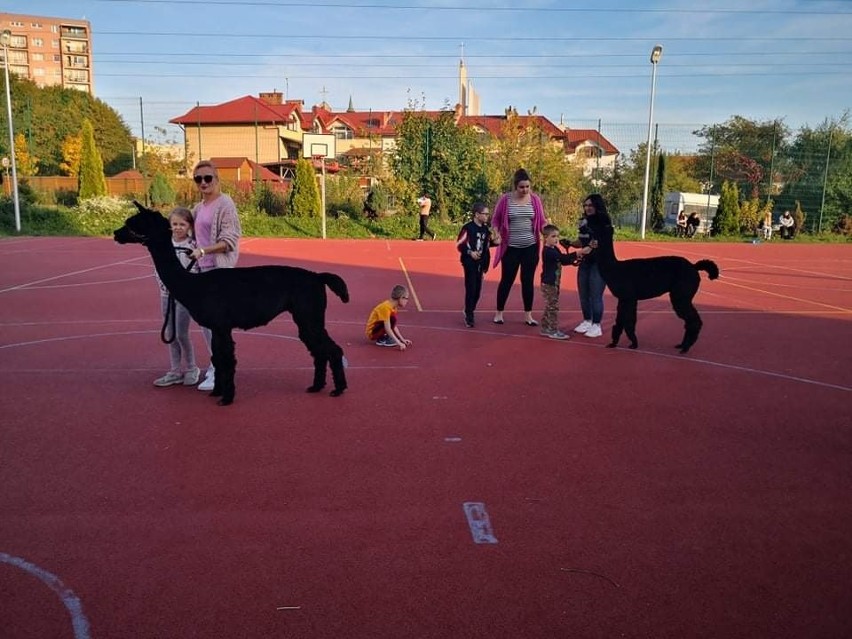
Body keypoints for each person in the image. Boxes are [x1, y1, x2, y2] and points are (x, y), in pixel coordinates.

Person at [188, 160, 242, 392]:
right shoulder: (198, 208)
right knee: (206, 325)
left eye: (208, 178)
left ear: (217, 179)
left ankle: (218, 369)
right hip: (201, 272)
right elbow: (190, 235)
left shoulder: (225, 204)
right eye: (198, 179)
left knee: (217, 326)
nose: (203, 183)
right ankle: (215, 365)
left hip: (218, 273)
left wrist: (204, 251)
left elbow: (230, 240)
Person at [490, 168, 548, 326]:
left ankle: (528, 315)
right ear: (515, 186)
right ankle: (499, 313)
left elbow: (541, 221)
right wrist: (495, 232)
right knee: (507, 280)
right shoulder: (505, 200)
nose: (525, 190)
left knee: (527, 281)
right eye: (522, 187)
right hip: (511, 248)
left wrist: (548, 231)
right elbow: (495, 220)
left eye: (527, 187)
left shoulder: (535, 200)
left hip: (530, 247)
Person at [153, 206, 201, 387]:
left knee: (181, 333)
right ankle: (174, 371)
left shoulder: (193, 246)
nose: (179, 227)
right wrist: (164, 286)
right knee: (169, 333)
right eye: (175, 224)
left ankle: (191, 368)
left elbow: (196, 270)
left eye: (183, 224)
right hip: (166, 295)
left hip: (184, 297)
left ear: (189, 226)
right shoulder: (164, 245)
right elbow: (158, 269)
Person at [567, 194, 612, 338]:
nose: (587, 208)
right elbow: (583, 241)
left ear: (597, 206)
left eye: (590, 205)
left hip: (600, 262)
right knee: (583, 294)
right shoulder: (583, 222)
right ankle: (587, 320)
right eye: (585, 205)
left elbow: (600, 242)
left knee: (595, 295)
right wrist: (570, 243)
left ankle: (596, 325)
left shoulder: (604, 222)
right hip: (586, 261)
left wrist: (590, 247)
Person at [539, 224, 590, 340]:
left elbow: (563, 260)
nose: (556, 239)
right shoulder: (548, 251)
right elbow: (563, 258)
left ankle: (545, 327)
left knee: (550, 305)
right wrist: (580, 252)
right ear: (545, 237)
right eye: (553, 236)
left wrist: (574, 259)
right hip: (549, 283)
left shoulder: (554, 249)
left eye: (557, 236)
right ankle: (552, 330)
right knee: (553, 306)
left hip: (554, 282)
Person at [456, 202, 500, 328]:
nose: (487, 216)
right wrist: (470, 252)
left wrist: (495, 242)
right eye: (485, 214)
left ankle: (469, 309)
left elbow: (486, 244)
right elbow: (460, 244)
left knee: (478, 291)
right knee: (471, 288)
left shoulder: (485, 229)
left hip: (481, 263)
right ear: (477, 214)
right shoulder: (468, 228)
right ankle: (469, 315)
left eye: (488, 214)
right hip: (470, 263)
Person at [365, 285, 412, 350]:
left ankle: (384, 337)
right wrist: (399, 343)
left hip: (378, 327)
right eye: (406, 298)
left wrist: (402, 339)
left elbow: (393, 326)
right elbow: (388, 328)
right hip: (372, 332)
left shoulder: (393, 307)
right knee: (392, 319)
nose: (407, 301)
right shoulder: (386, 307)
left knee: (393, 319)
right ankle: (382, 339)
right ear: (401, 298)